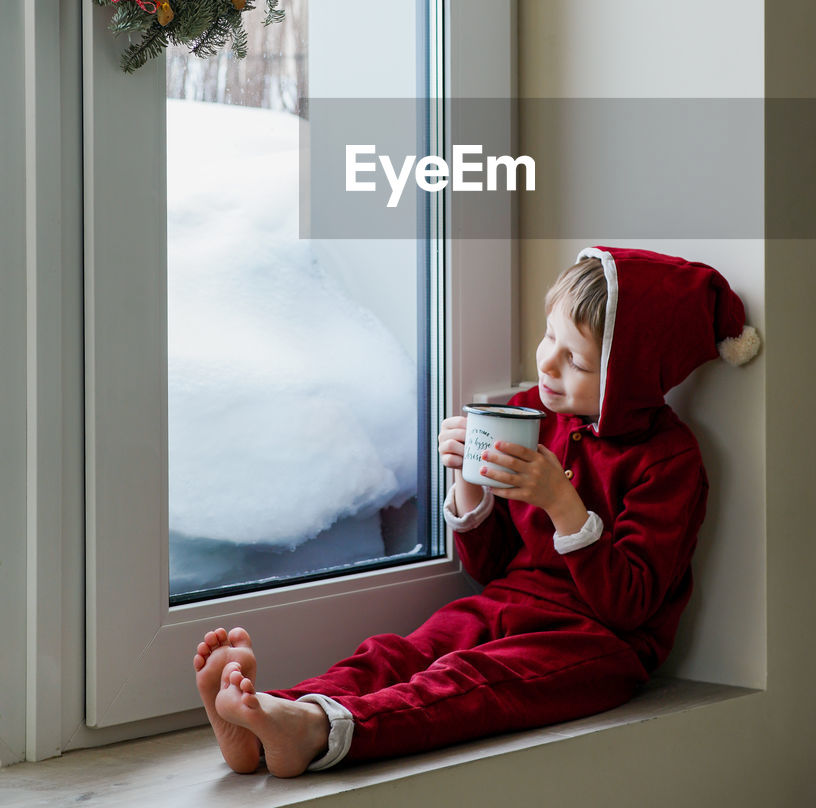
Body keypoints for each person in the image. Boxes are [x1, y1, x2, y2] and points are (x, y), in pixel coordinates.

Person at [192, 246, 760, 777]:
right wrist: (467, 482)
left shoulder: (669, 460)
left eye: (577, 361)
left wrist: (562, 504)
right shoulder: (530, 415)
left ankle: (321, 731)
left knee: (469, 683)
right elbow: (489, 568)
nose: (548, 364)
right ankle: (267, 716)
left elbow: (629, 606)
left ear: (633, 376)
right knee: (405, 651)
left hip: (597, 643)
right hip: (507, 600)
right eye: (548, 337)